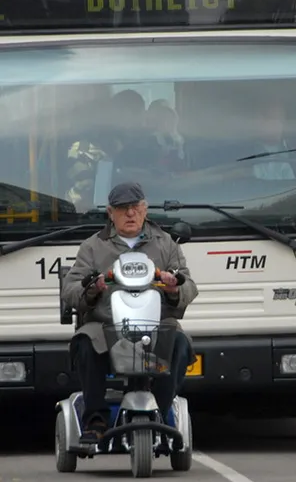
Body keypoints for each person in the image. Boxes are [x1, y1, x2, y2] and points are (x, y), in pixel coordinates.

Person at [61, 182, 199, 443]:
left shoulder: (165, 243)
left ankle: (160, 407)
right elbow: (70, 290)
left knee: (180, 344)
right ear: (110, 213)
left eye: (135, 208)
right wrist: (91, 289)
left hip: (155, 323)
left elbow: (189, 286)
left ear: (145, 210)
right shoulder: (93, 246)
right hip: (105, 325)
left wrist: (174, 288)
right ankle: (96, 418)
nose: (130, 214)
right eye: (123, 209)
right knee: (84, 342)